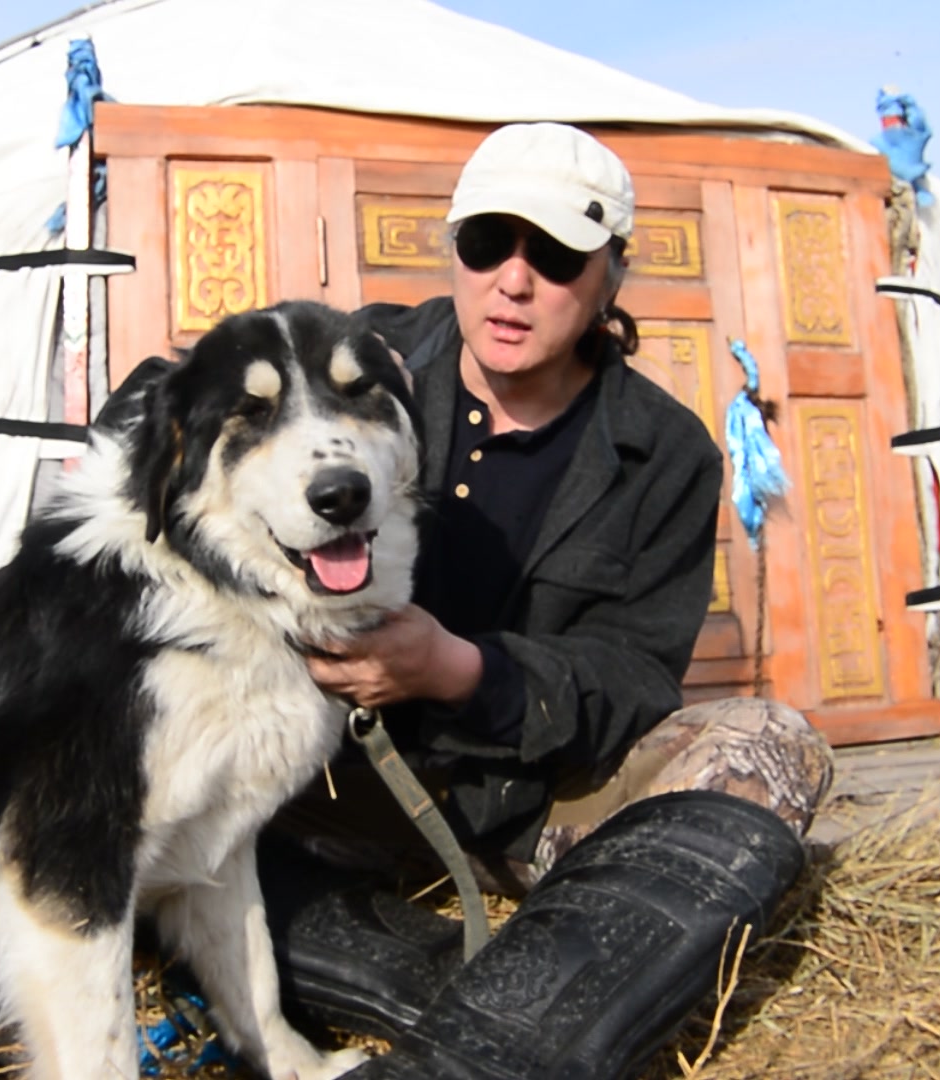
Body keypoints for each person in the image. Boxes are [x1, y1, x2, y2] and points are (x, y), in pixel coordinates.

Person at [257, 123, 835, 1078]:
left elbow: (633, 679)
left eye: (558, 255)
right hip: (299, 785)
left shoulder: (669, 453)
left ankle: (458, 1052)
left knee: (770, 746)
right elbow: (171, 412)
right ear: (455, 251)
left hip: (513, 808)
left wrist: (460, 669)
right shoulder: (352, 364)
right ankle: (471, 991)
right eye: (487, 244)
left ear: (611, 274)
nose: (513, 282)